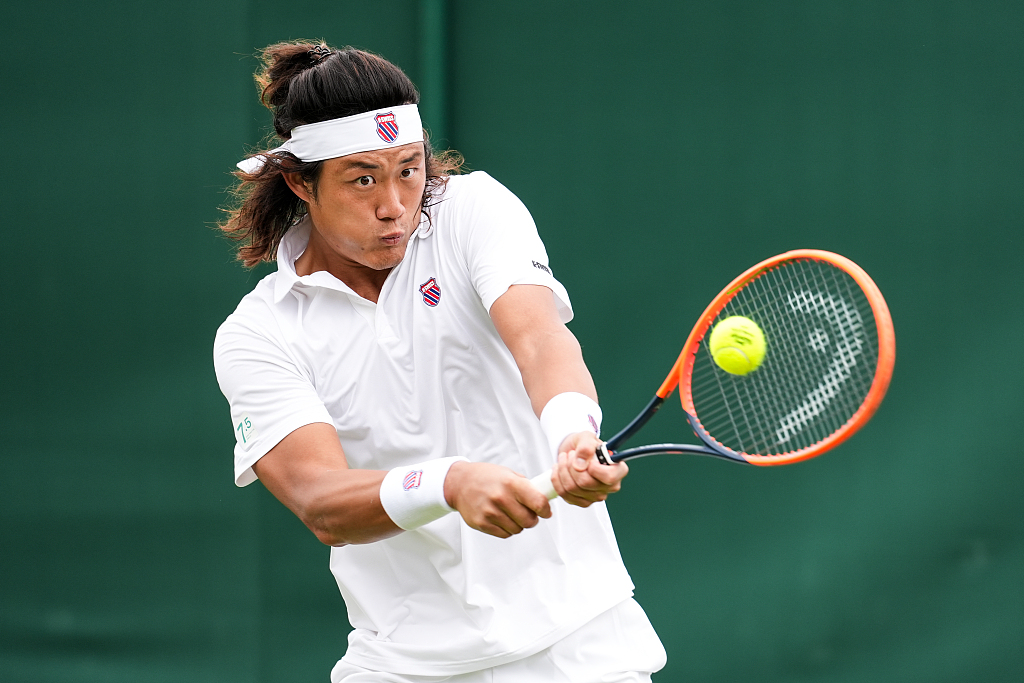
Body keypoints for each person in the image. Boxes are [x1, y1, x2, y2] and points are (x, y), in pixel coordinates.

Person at [214, 41, 666, 682]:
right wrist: (448, 482)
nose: (394, 203)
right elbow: (320, 499)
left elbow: (538, 337)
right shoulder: (257, 335)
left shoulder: (473, 211)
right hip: (401, 666)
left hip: (581, 649)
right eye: (363, 177)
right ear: (299, 182)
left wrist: (571, 434)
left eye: (408, 169)